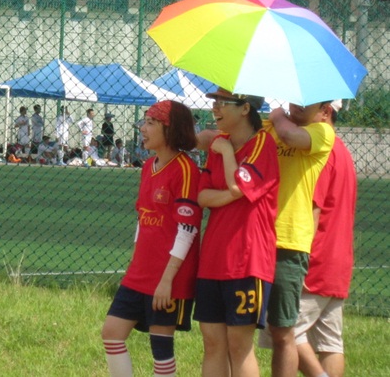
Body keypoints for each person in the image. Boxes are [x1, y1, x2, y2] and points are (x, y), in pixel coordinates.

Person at [102, 100, 202, 377]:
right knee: (112, 333)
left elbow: (188, 229)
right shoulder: (148, 166)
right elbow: (142, 217)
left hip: (168, 276)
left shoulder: (185, 169)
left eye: (151, 123)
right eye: (144, 122)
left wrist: (167, 280)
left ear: (170, 129)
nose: (142, 129)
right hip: (141, 271)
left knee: (160, 348)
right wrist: (137, 260)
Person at [194, 88, 280, 377]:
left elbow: (234, 186)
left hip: (246, 260)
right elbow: (203, 196)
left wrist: (229, 156)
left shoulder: (262, 144)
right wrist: (234, 193)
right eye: (213, 102)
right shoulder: (220, 143)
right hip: (213, 259)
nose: (215, 108)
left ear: (245, 109)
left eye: (222, 103)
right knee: (212, 342)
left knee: (239, 345)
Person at [258, 101, 336, 377]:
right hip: (255, 236)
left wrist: (277, 114)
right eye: (293, 98)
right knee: (237, 325)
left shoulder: (322, 133)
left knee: (282, 331)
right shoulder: (269, 127)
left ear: (323, 108)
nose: (296, 104)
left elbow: (291, 137)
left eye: (306, 101)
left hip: (289, 242)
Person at [295, 100, 357, 377]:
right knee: (330, 342)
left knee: (285, 329)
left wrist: (299, 255)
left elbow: (313, 209)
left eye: (301, 107)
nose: (292, 110)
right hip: (338, 261)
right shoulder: (342, 150)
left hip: (315, 259)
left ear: (325, 112)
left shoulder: (322, 151)